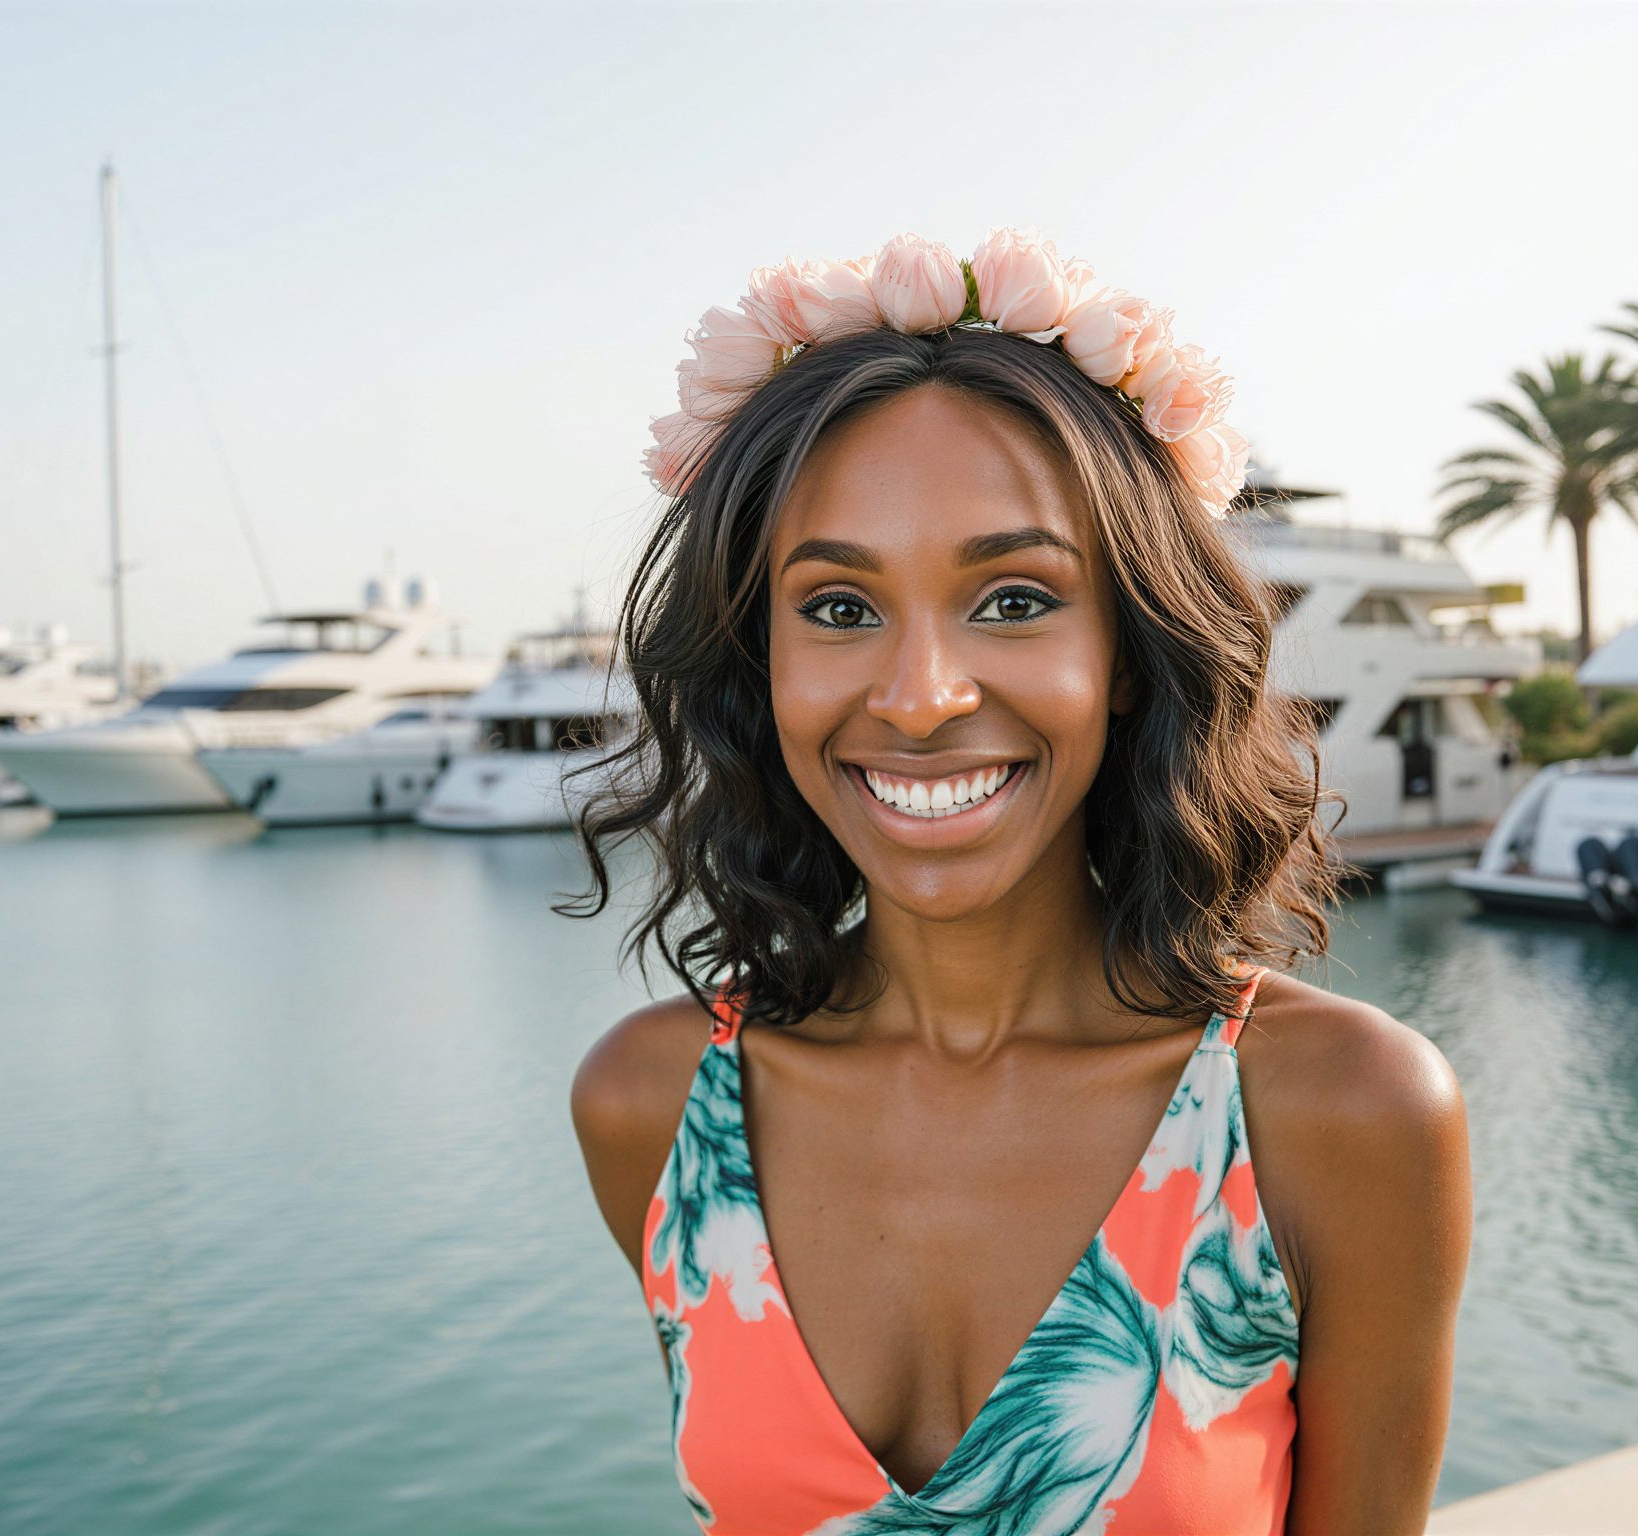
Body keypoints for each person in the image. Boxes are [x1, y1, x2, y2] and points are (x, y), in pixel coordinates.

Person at [569, 230, 1472, 1536]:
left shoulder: (1341, 1113)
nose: (924, 697)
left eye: (1012, 600)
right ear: (752, 667)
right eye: (835, 609)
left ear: (1130, 645)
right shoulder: (651, 1105)